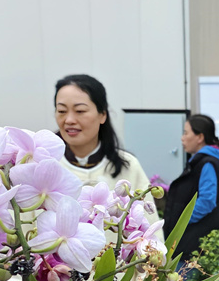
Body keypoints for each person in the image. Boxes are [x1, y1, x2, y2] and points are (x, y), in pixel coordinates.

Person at [54, 74, 157, 208]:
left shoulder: (129, 167)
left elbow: (148, 226)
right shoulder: (44, 165)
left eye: (80, 111)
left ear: (102, 115)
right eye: (62, 111)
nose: (69, 120)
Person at [163, 114, 219, 261]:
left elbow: (207, 201)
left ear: (200, 137)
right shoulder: (200, 162)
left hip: (195, 247)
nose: (182, 138)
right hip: (193, 245)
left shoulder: (207, 164)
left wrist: (181, 222)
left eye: (186, 132)